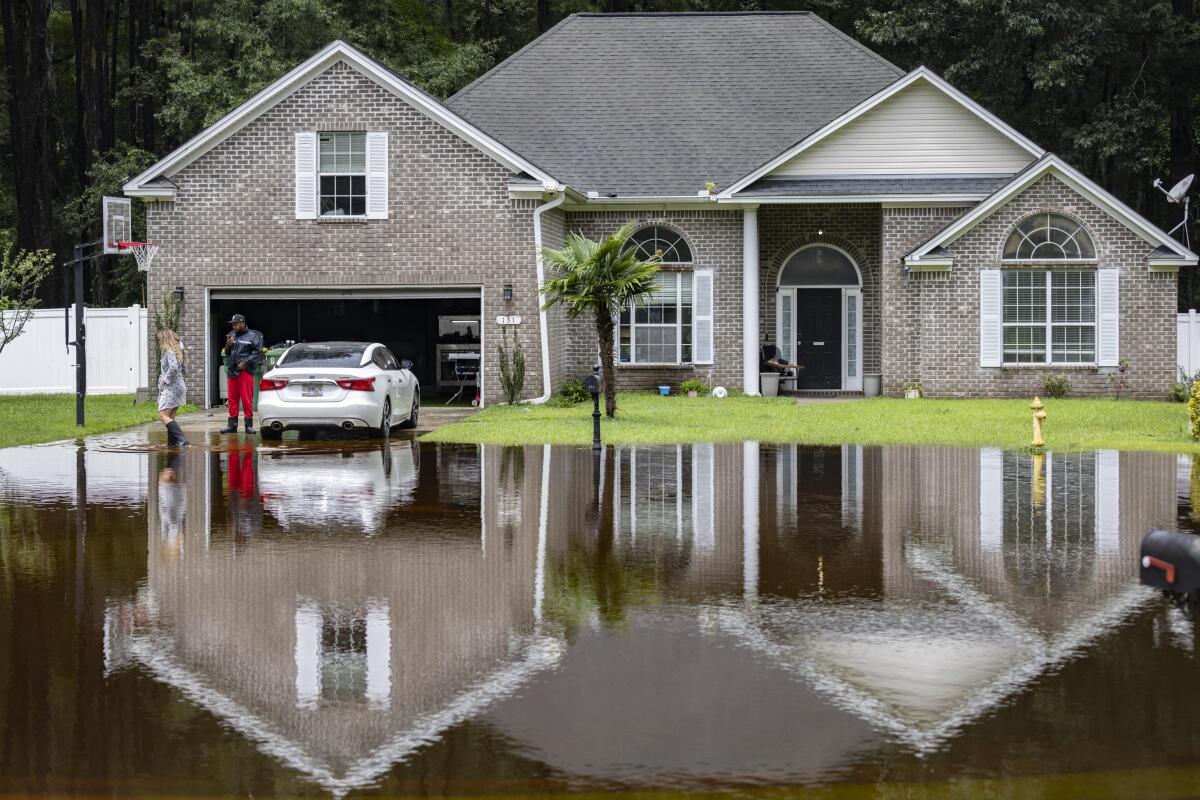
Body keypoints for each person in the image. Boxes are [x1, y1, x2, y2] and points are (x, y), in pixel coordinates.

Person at [221, 313, 263, 434]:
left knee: (246, 399)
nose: (233, 326)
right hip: (231, 370)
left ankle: (248, 425)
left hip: (245, 371)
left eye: (235, 324)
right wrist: (228, 345)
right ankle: (232, 425)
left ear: (242, 323)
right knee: (232, 399)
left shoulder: (252, 336)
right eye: (232, 324)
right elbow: (228, 352)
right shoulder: (231, 335)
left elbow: (258, 352)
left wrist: (245, 362)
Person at [156, 328, 190, 447]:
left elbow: (174, 368)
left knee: (163, 415)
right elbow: (184, 369)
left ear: (165, 339)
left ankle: (182, 439)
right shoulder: (178, 350)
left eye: (160, 339)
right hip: (179, 385)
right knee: (170, 417)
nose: (159, 342)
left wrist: (164, 381)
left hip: (172, 387)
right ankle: (172, 443)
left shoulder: (169, 351)